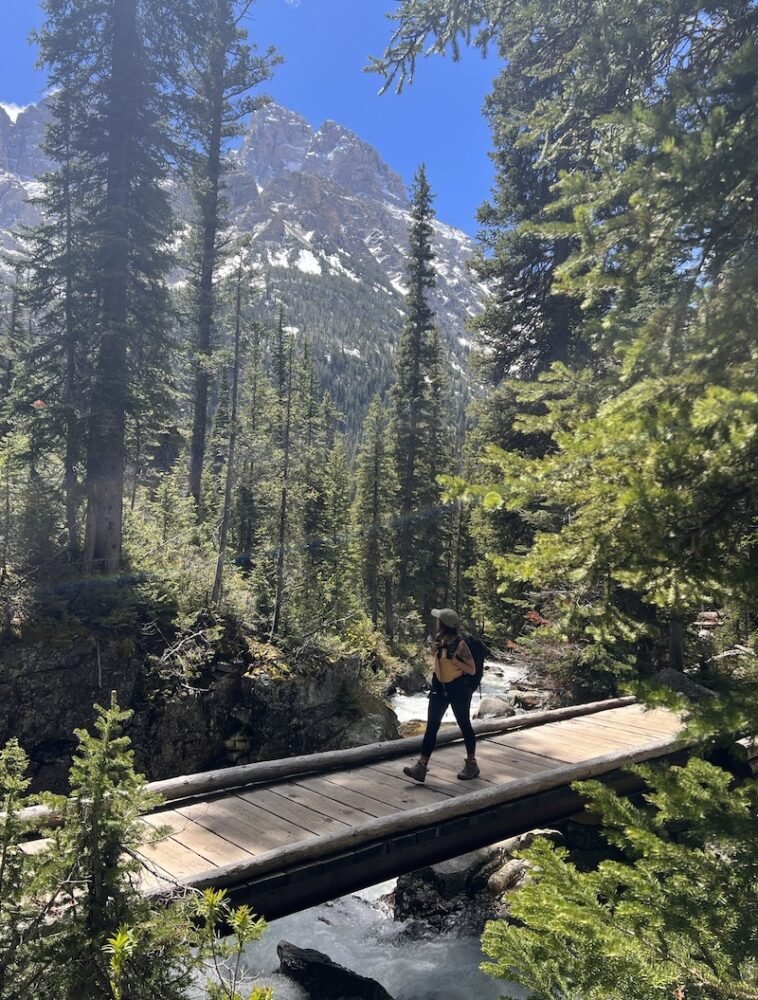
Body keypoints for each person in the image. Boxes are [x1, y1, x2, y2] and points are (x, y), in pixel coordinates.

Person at [403, 607, 480, 782]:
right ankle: (421, 767)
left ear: (444, 624)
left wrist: (455, 660)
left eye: (439, 620)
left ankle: (471, 764)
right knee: (432, 726)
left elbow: (472, 669)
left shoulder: (460, 644)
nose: (436, 621)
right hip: (439, 688)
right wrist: (436, 649)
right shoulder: (439, 640)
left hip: (458, 689)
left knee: (464, 724)